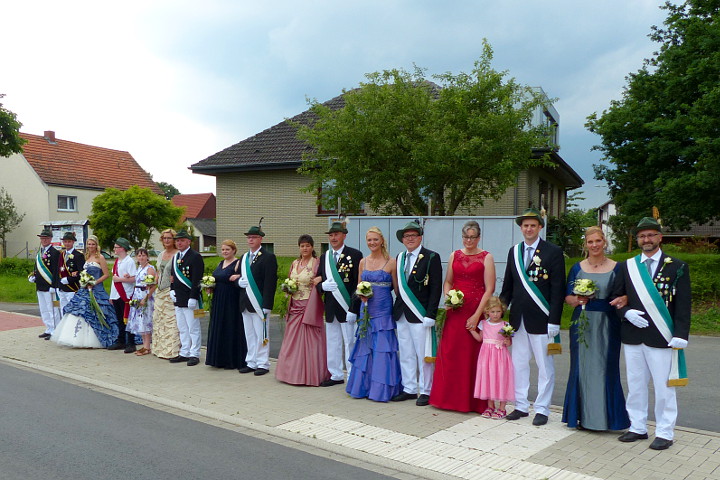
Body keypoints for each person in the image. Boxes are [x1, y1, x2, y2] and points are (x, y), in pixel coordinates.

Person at [611, 217, 691, 450]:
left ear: (659, 237)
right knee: (635, 384)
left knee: (664, 387)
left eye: (650, 235)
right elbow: (615, 299)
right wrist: (625, 313)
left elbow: (684, 304)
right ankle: (637, 426)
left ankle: (665, 432)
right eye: (642, 236)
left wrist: (681, 334)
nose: (646, 240)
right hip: (633, 335)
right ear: (637, 240)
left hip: (663, 337)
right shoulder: (627, 266)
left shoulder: (677, 266)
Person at [500, 208, 565, 426]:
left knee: (544, 366)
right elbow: (507, 286)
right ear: (521, 228)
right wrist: (500, 313)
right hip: (519, 319)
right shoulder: (514, 251)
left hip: (543, 319)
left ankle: (542, 409)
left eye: (533, 225)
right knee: (519, 364)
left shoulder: (552, 252)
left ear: (540, 227)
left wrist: (555, 320)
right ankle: (520, 405)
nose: (529, 229)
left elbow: (558, 289)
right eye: (525, 225)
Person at [562, 226, 630, 431]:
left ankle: (607, 419)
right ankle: (581, 416)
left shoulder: (617, 267)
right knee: (581, 367)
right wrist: (578, 298)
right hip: (582, 323)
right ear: (585, 244)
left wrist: (624, 298)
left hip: (608, 324)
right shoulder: (577, 267)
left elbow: (624, 294)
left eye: (598, 241)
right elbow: (567, 298)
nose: (594, 245)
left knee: (605, 368)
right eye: (590, 242)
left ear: (604, 242)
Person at [430, 220, 495, 413]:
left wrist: (477, 316)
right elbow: (448, 281)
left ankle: (472, 402)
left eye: (472, 237)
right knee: (451, 353)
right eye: (466, 236)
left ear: (478, 237)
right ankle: (447, 399)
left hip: (475, 309)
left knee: (471, 355)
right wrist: (450, 298)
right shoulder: (454, 255)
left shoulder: (486, 257)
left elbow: (489, 288)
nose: (469, 240)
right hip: (455, 311)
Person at [346, 227, 402, 402]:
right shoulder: (363, 262)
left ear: (382, 241)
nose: (372, 243)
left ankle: (382, 389)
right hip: (366, 309)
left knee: (383, 348)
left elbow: (397, 289)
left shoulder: (391, 262)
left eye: (375, 240)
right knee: (366, 346)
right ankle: (364, 387)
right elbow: (358, 286)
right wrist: (360, 297)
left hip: (384, 309)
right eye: (369, 240)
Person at [392, 221, 443, 406]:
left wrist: (431, 314)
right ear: (403, 240)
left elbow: (436, 288)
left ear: (420, 237)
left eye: (413, 235)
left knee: (424, 354)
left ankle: (426, 390)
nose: (410, 239)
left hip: (421, 313)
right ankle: (409, 388)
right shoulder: (400, 258)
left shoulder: (431, 257)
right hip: (402, 312)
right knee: (405, 352)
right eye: (407, 236)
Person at [275, 235, 330, 386]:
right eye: (302, 246)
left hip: (309, 305)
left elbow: (325, 277)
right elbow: (290, 280)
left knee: (310, 340)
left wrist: (320, 279)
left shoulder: (316, 263)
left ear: (312, 247)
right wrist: (288, 288)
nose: (305, 248)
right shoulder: (294, 263)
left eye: (307, 245)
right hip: (295, 305)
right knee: (292, 340)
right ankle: (290, 373)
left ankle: (311, 374)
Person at [316, 221, 363, 387]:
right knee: (333, 342)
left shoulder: (355, 255)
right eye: (331, 235)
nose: (333, 238)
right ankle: (335, 374)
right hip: (330, 306)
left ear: (344, 235)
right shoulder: (324, 257)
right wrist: (322, 286)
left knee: (350, 342)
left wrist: (353, 308)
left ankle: (352, 375)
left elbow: (359, 284)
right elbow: (318, 278)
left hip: (347, 306)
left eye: (336, 234)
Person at [51, 235, 119, 348]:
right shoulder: (86, 257)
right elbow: (83, 272)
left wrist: (94, 282)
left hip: (97, 288)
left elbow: (106, 275)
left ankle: (95, 338)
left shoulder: (100, 257)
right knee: (79, 310)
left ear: (96, 245)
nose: (91, 246)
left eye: (93, 244)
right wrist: (79, 276)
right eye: (89, 244)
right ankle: (75, 338)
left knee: (96, 311)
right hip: (85, 288)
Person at [237, 224, 277, 376]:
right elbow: (239, 277)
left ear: (260, 239)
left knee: (261, 334)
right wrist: (238, 282)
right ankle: (251, 361)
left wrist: (267, 304)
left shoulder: (268, 257)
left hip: (260, 303)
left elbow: (270, 282)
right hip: (245, 301)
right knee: (249, 334)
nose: (250, 240)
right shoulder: (244, 257)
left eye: (253, 237)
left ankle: (263, 363)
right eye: (249, 237)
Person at [205, 239, 248, 370]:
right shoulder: (220, 262)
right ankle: (218, 359)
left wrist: (238, 277)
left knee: (230, 326)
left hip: (231, 299)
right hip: (218, 299)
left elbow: (242, 278)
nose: (224, 252)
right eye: (223, 249)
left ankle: (231, 360)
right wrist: (210, 286)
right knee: (218, 326)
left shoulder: (238, 263)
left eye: (227, 249)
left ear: (234, 250)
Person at [471, 297, 514, 419]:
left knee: (501, 379)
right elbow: (480, 338)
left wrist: (506, 341)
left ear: (502, 311)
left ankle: (502, 408)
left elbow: (509, 343)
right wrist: (471, 330)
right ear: (487, 312)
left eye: (498, 311)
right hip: (486, 355)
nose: (495, 314)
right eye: (493, 311)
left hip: (500, 356)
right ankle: (490, 406)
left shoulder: (505, 325)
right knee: (488, 378)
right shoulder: (483, 324)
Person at [170, 229, 205, 366]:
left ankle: (194, 353)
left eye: (182, 240)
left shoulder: (195, 256)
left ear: (189, 241)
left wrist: (194, 297)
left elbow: (197, 279)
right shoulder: (176, 257)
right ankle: (184, 352)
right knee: (182, 327)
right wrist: (172, 291)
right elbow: (173, 278)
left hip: (191, 298)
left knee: (193, 327)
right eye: (177, 240)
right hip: (179, 298)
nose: (179, 242)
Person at [151, 229, 181, 359]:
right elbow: (158, 272)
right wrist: (153, 281)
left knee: (171, 321)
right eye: (164, 238)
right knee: (159, 319)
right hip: (160, 290)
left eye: (169, 238)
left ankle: (171, 350)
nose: (167, 240)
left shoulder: (178, 254)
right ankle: (160, 349)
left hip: (171, 290)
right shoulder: (161, 254)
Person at [29, 228, 61, 340]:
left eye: (46, 238)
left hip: (50, 287)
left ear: (50, 239)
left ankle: (55, 330)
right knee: (44, 309)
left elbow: (56, 271)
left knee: (53, 309)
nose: (44, 240)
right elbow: (37, 268)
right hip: (40, 286)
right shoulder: (40, 252)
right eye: (42, 238)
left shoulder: (55, 253)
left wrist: (54, 286)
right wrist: (34, 276)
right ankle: (48, 328)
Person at [108, 237, 137, 353]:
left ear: (123, 248)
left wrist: (120, 279)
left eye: (116, 247)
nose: (114, 249)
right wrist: (111, 295)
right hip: (116, 294)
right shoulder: (117, 261)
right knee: (119, 319)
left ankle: (131, 342)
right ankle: (121, 340)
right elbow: (113, 281)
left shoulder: (129, 261)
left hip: (126, 294)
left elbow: (134, 279)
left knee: (128, 319)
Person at [126, 248, 156, 356]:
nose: (141, 257)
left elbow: (153, 285)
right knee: (140, 321)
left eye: (143, 255)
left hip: (145, 295)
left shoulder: (150, 268)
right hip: (137, 294)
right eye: (139, 256)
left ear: (147, 257)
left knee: (146, 320)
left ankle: (147, 346)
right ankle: (144, 345)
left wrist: (146, 298)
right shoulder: (139, 268)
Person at [56, 231, 85, 312]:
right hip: (62, 288)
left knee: (72, 311)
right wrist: (58, 284)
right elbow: (58, 270)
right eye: (65, 241)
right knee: (63, 310)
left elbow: (82, 273)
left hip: (72, 288)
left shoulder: (78, 255)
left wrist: (69, 279)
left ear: (73, 242)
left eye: (69, 241)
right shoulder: (62, 254)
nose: (67, 244)